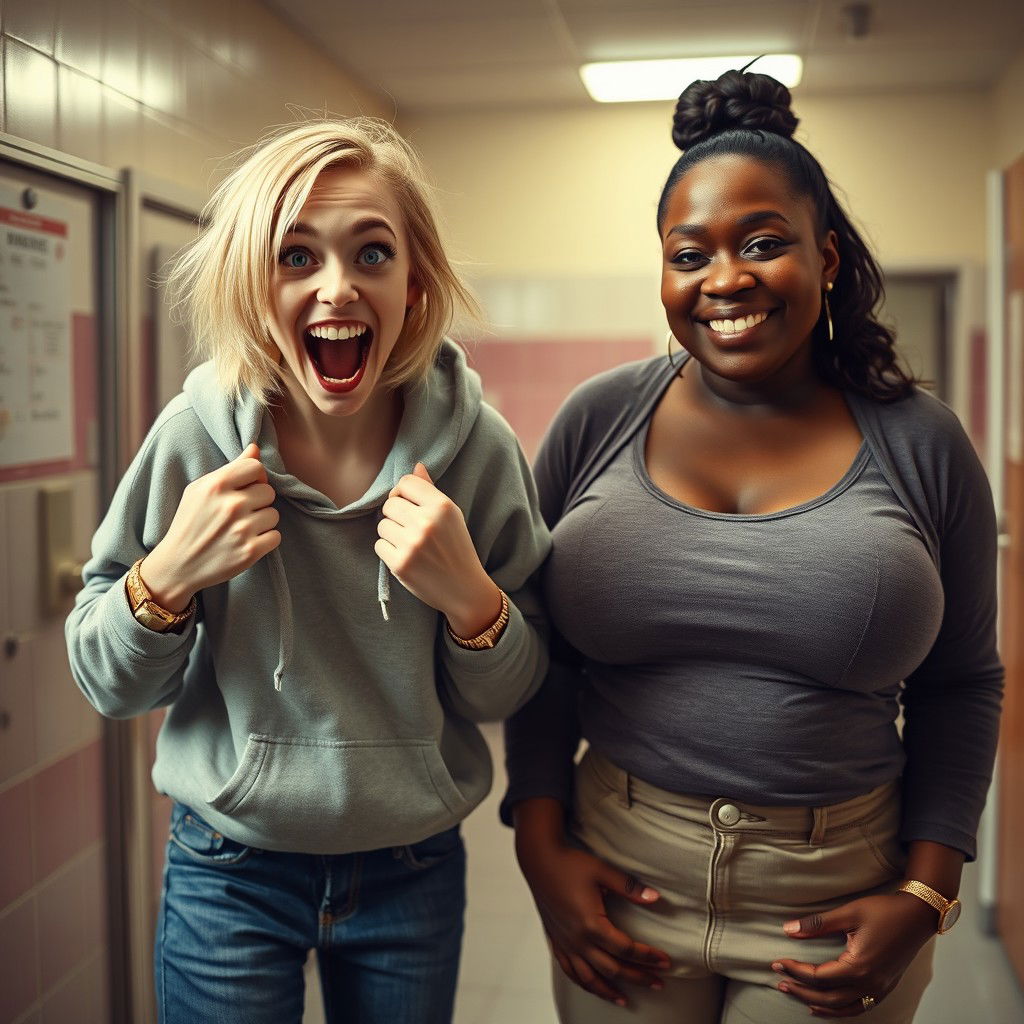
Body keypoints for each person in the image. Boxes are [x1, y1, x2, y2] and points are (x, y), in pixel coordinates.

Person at [503, 69, 1003, 1024]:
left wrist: (928, 893)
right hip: (619, 871)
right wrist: (539, 845)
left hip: (833, 895)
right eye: (688, 254)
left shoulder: (923, 443)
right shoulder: (597, 419)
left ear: (829, 258)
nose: (724, 279)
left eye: (763, 244)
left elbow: (962, 681)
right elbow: (540, 651)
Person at [65, 118, 550, 1024]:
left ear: (414, 284)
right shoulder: (192, 442)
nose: (338, 287)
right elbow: (106, 681)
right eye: (298, 257)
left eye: (372, 253)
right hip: (229, 868)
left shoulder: (477, 450)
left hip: (412, 864)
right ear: (256, 285)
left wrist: (471, 601)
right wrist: (167, 576)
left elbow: (509, 692)